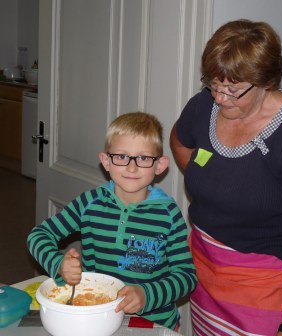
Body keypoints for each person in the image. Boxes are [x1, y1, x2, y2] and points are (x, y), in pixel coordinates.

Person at [170, 19, 282, 336]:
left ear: (266, 82)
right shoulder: (203, 106)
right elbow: (178, 140)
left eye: (232, 90)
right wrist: (215, 183)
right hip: (203, 269)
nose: (220, 98)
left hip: (263, 288)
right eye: (214, 84)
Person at [28, 111, 197, 330]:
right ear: (106, 161)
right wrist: (58, 264)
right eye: (121, 156)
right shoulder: (89, 203)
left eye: (144, 158)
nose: (132, 167)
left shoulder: (168, 214)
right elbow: (38, 235)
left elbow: (186, 276)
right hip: (97, 317)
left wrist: (148, 295)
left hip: (154, 323)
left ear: (160, 165)